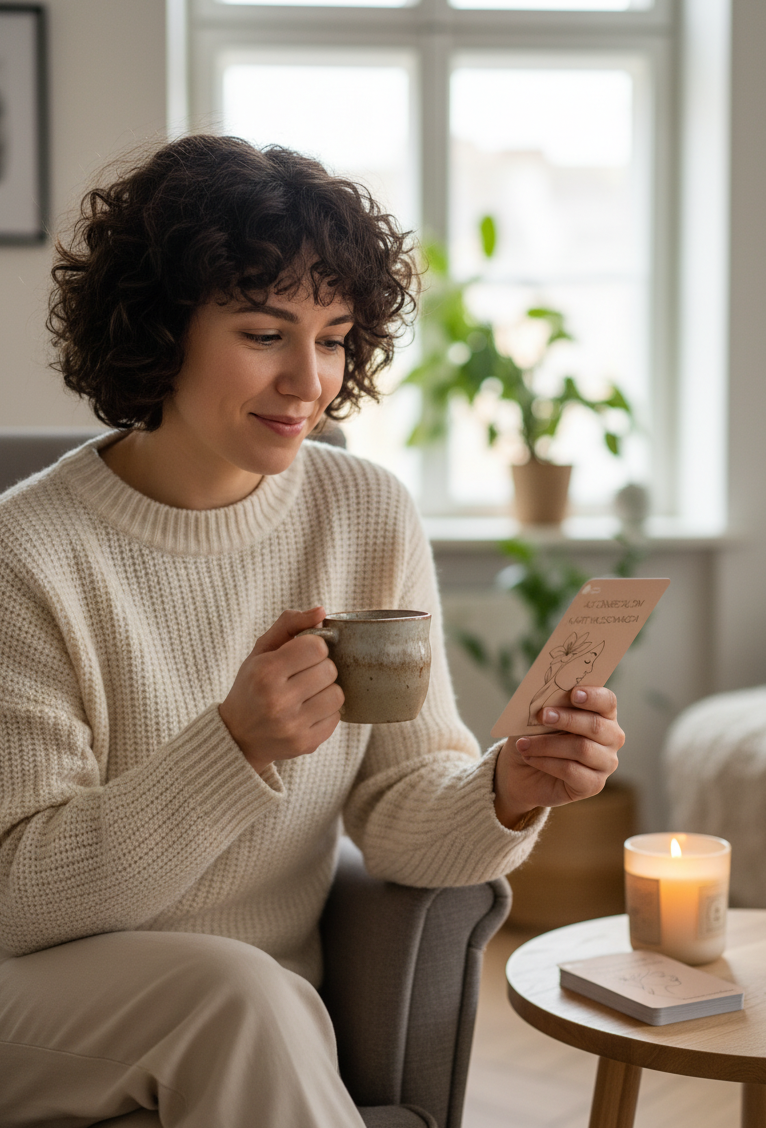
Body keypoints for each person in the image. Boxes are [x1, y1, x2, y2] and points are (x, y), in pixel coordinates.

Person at [0, 135, 625, 1127]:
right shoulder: (27, 550)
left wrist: (508, 786)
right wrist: (233, 746)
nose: (309, 380)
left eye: (332, 336)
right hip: (33, 998)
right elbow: (18, 892)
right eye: (263, 332)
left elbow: (397, 799)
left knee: (251, 995)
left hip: (261, 1010)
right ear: (160, 326)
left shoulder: (365, 513)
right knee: (238, 993)